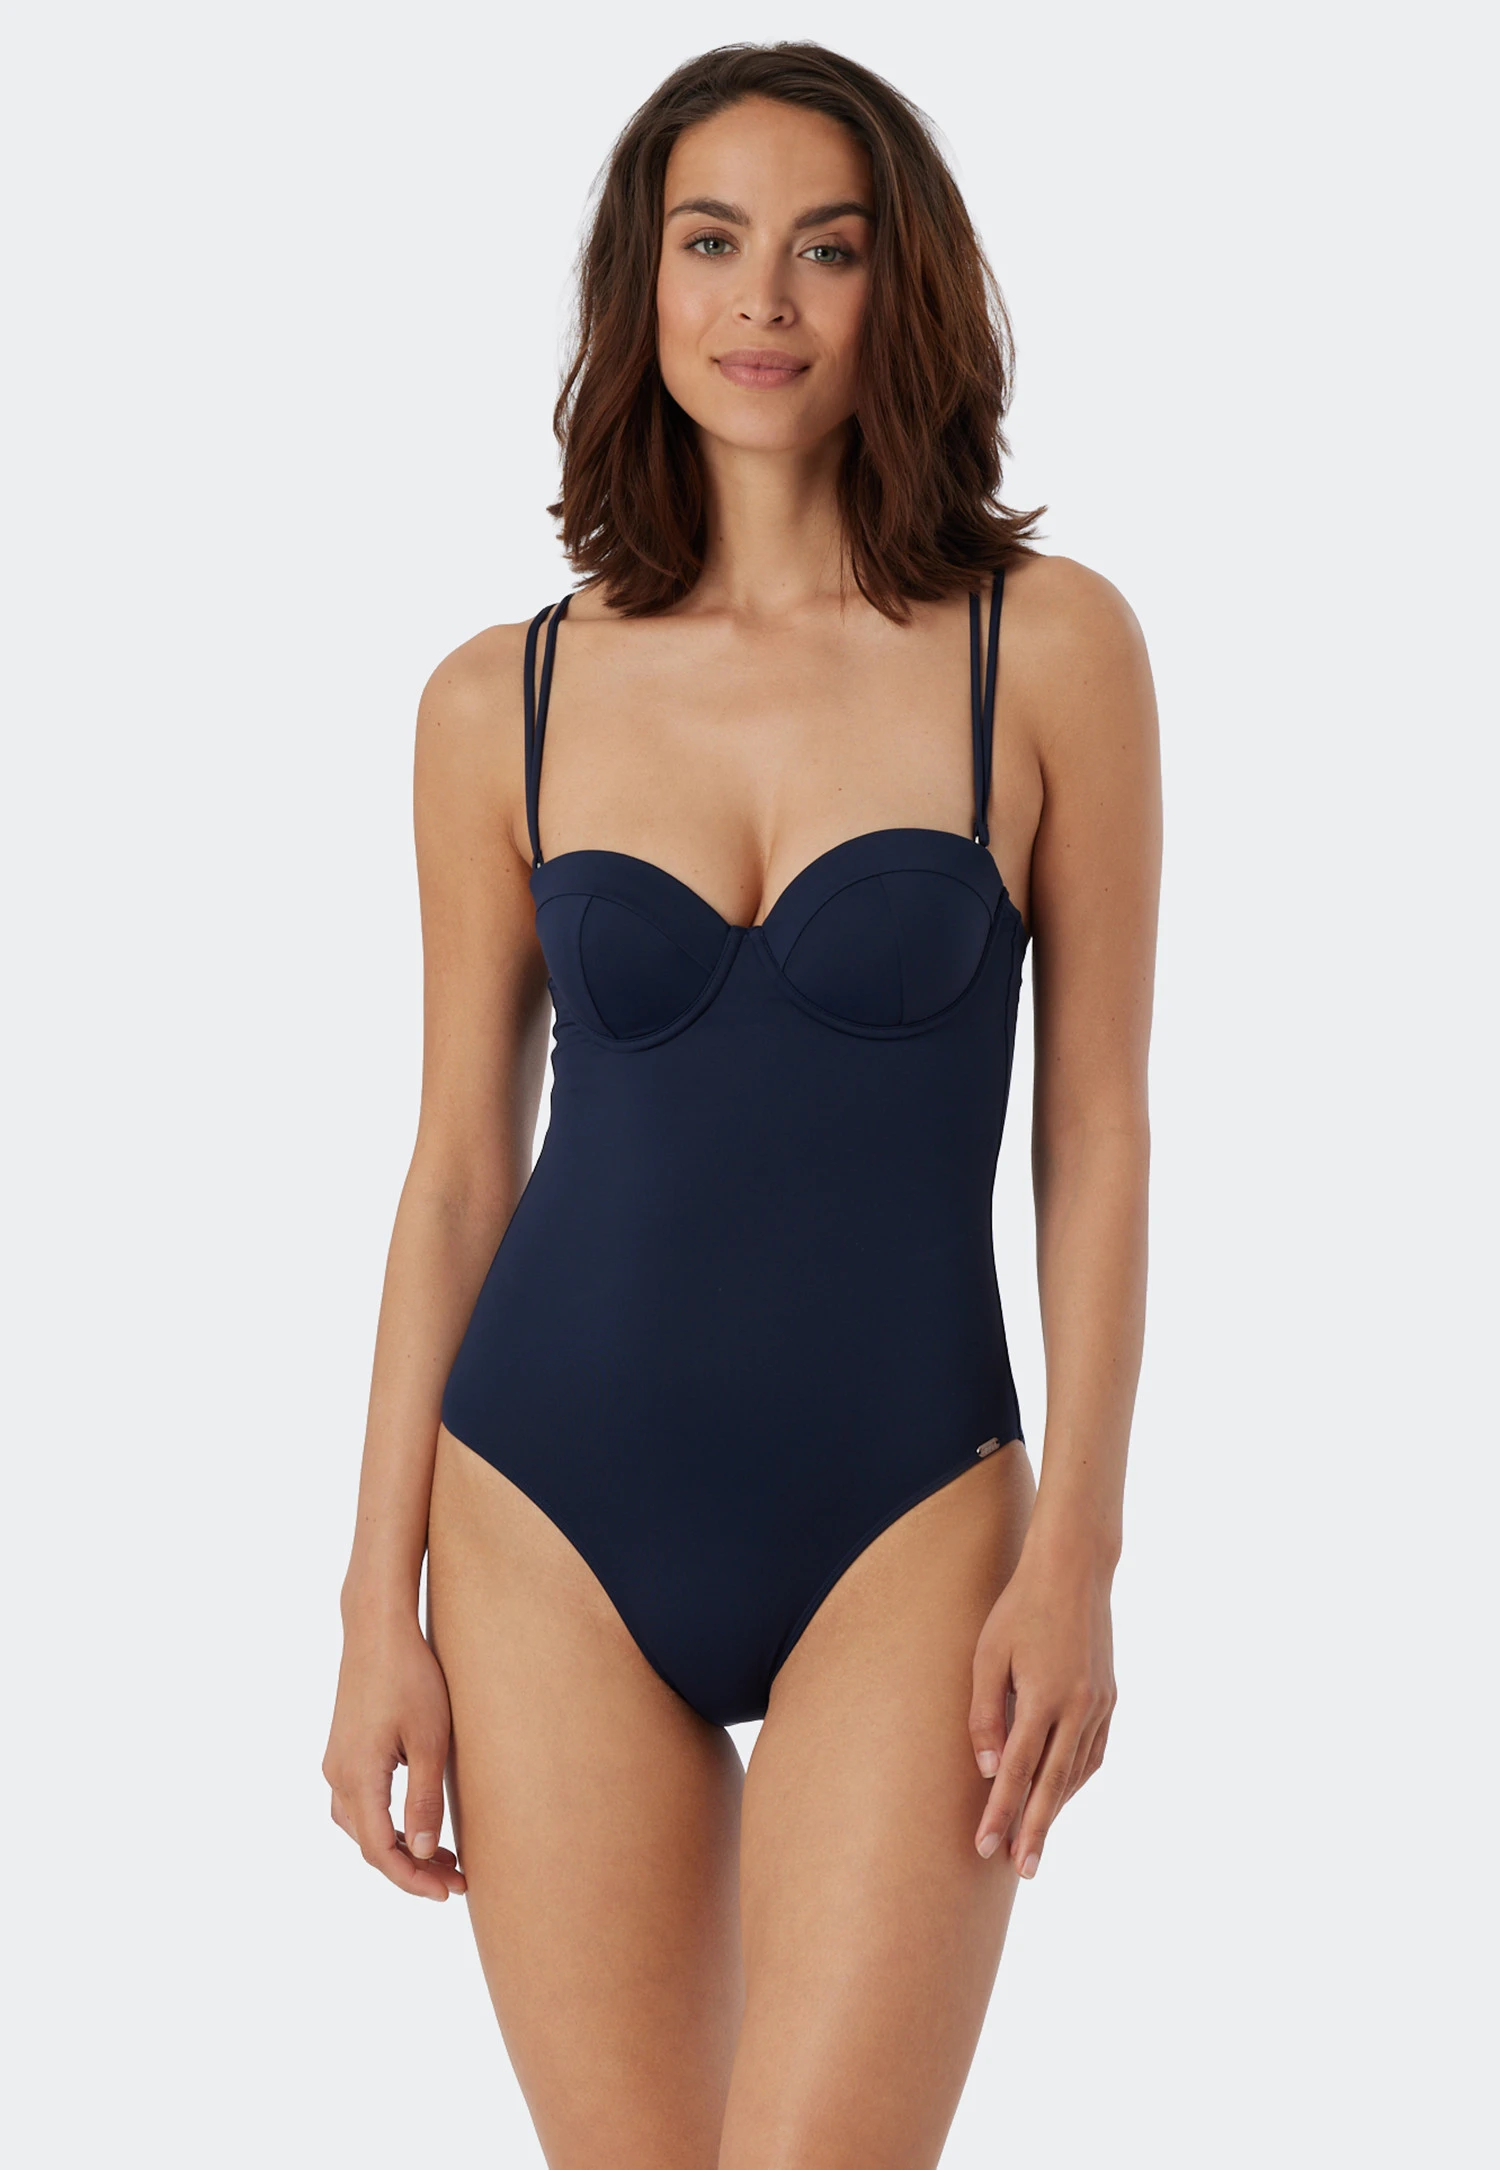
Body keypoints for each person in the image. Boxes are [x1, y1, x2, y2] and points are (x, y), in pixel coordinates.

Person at [324, 39, 1160, 2170]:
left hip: (913, 1513)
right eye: (711, 242)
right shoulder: (498, 697)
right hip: (540, 1511)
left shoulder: (1046, 651)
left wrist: (1081, 1539)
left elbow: (1097, 1129)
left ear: (904, 288)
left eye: (826, 247)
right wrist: (369, 1608)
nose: (764, 299)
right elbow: (454, 1170)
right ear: (644, 287)